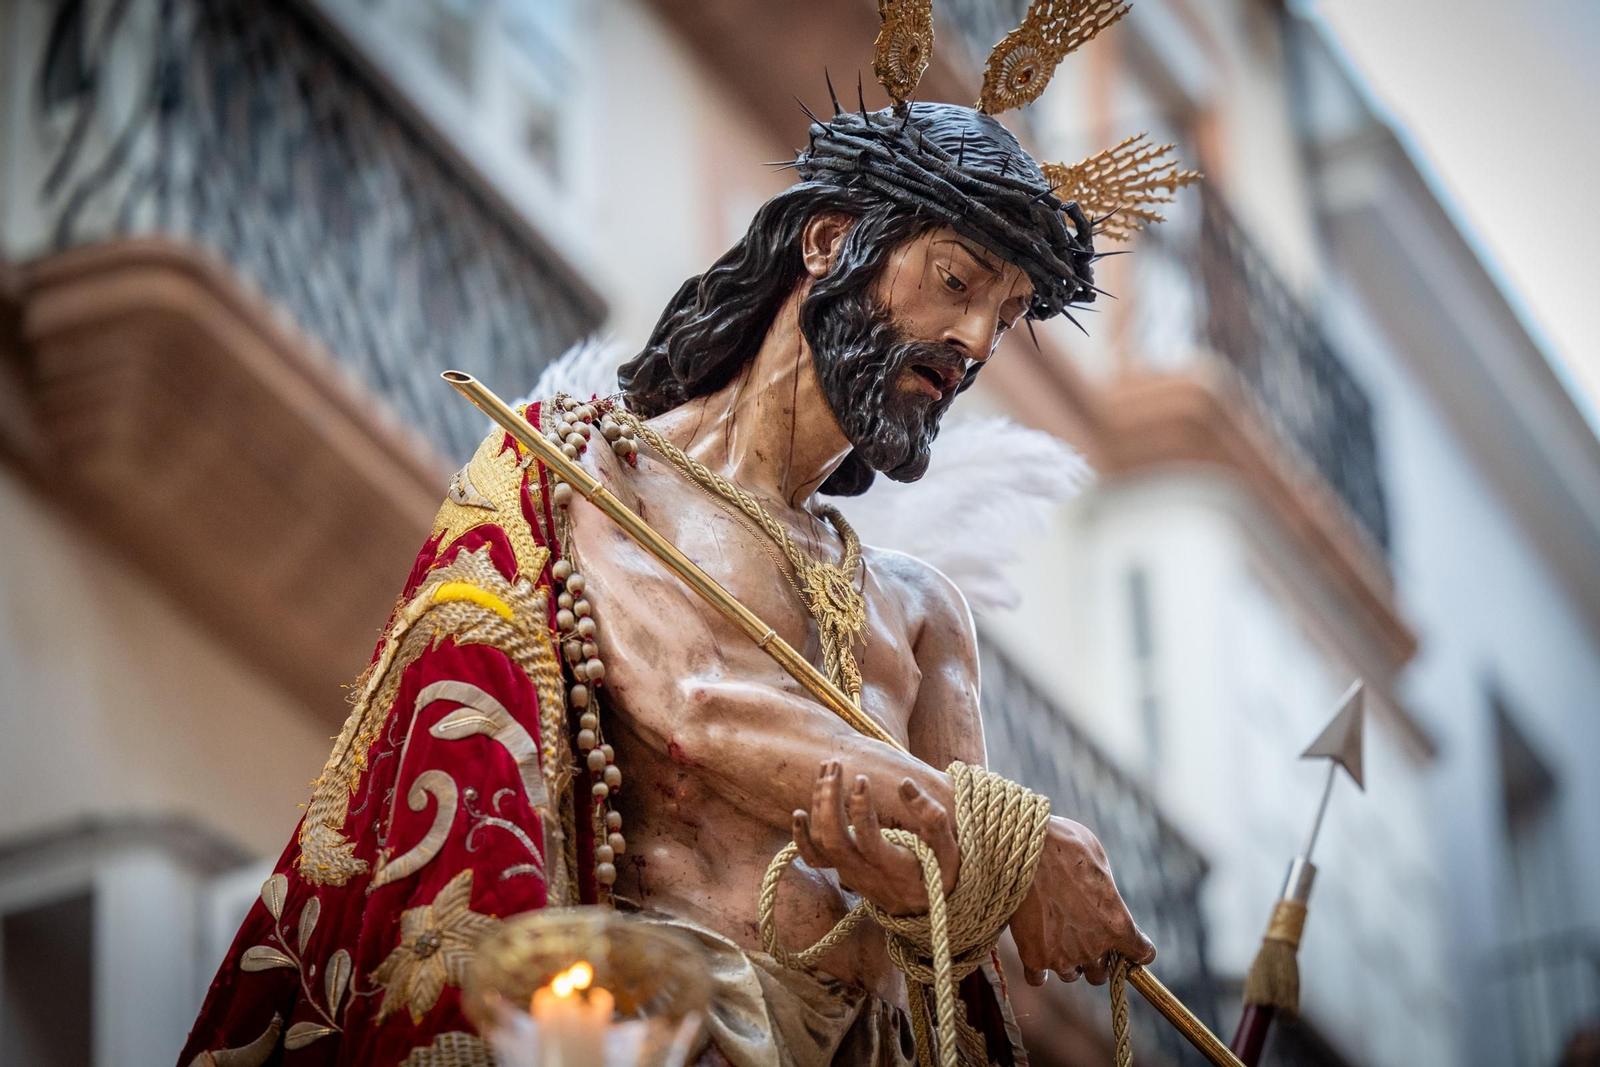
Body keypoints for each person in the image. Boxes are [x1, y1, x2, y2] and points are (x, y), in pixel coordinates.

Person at [180, 6, 1196, 1065]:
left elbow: (967, 984)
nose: (977, 340)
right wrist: (998, 842)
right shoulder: (592, 473)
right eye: (956, 281)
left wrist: (931, 907)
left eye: (1009, 309)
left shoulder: (923, 612)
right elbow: (693, 702)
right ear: (829, 239)